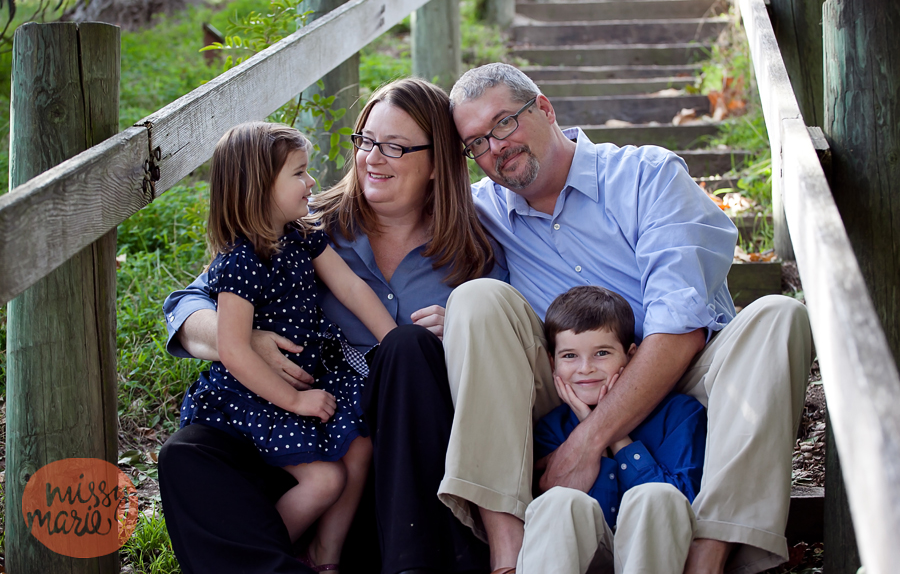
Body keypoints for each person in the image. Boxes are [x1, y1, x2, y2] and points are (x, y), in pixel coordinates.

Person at [439, 63, 813, 574]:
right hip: (569, 384)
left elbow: (680, 328)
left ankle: (708, 553)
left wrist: (587, 443)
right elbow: (388, 202)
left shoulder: (647, 175)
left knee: (779, 316)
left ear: (544, 108)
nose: (495, 147)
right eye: (476, 142)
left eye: (505, 123)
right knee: (475, 300)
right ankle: (510, 552)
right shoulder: (483, 214)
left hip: (685, 378)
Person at [160, 79, 502, 574]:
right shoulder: (303, 225)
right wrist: (244, 340)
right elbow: (187, 303)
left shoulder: (473, 250)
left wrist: (470, 330)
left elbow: (516, 346)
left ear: (436, 163)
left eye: (395, 147)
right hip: (304, 432)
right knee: (186, 454)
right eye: (365, 140)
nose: (372, 159)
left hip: (410, 467)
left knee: (406, 348)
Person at [178, 121, 399, 571]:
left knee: (360, 446)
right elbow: (235, 351)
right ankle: (265, 557)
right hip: (257, 393)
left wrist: (395, 343)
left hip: (310, 376)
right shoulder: (241, 262)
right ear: (259, 187)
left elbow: (351, 288)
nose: (311, 181)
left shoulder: (302, 234)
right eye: (299, 173)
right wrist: (295, 400)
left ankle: (326, 556)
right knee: (323, 480)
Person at [522, 285, 706, 574]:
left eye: (602, 353)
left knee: (656, 496)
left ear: (632, 356)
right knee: (560, 501)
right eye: (570, 356)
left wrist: (611, 432)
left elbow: (683, 502)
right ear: (552, 363)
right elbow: (549, 516)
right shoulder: (550, 430)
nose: (585, 369)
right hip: (582, 559)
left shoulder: (679, 415)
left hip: (655, 557)